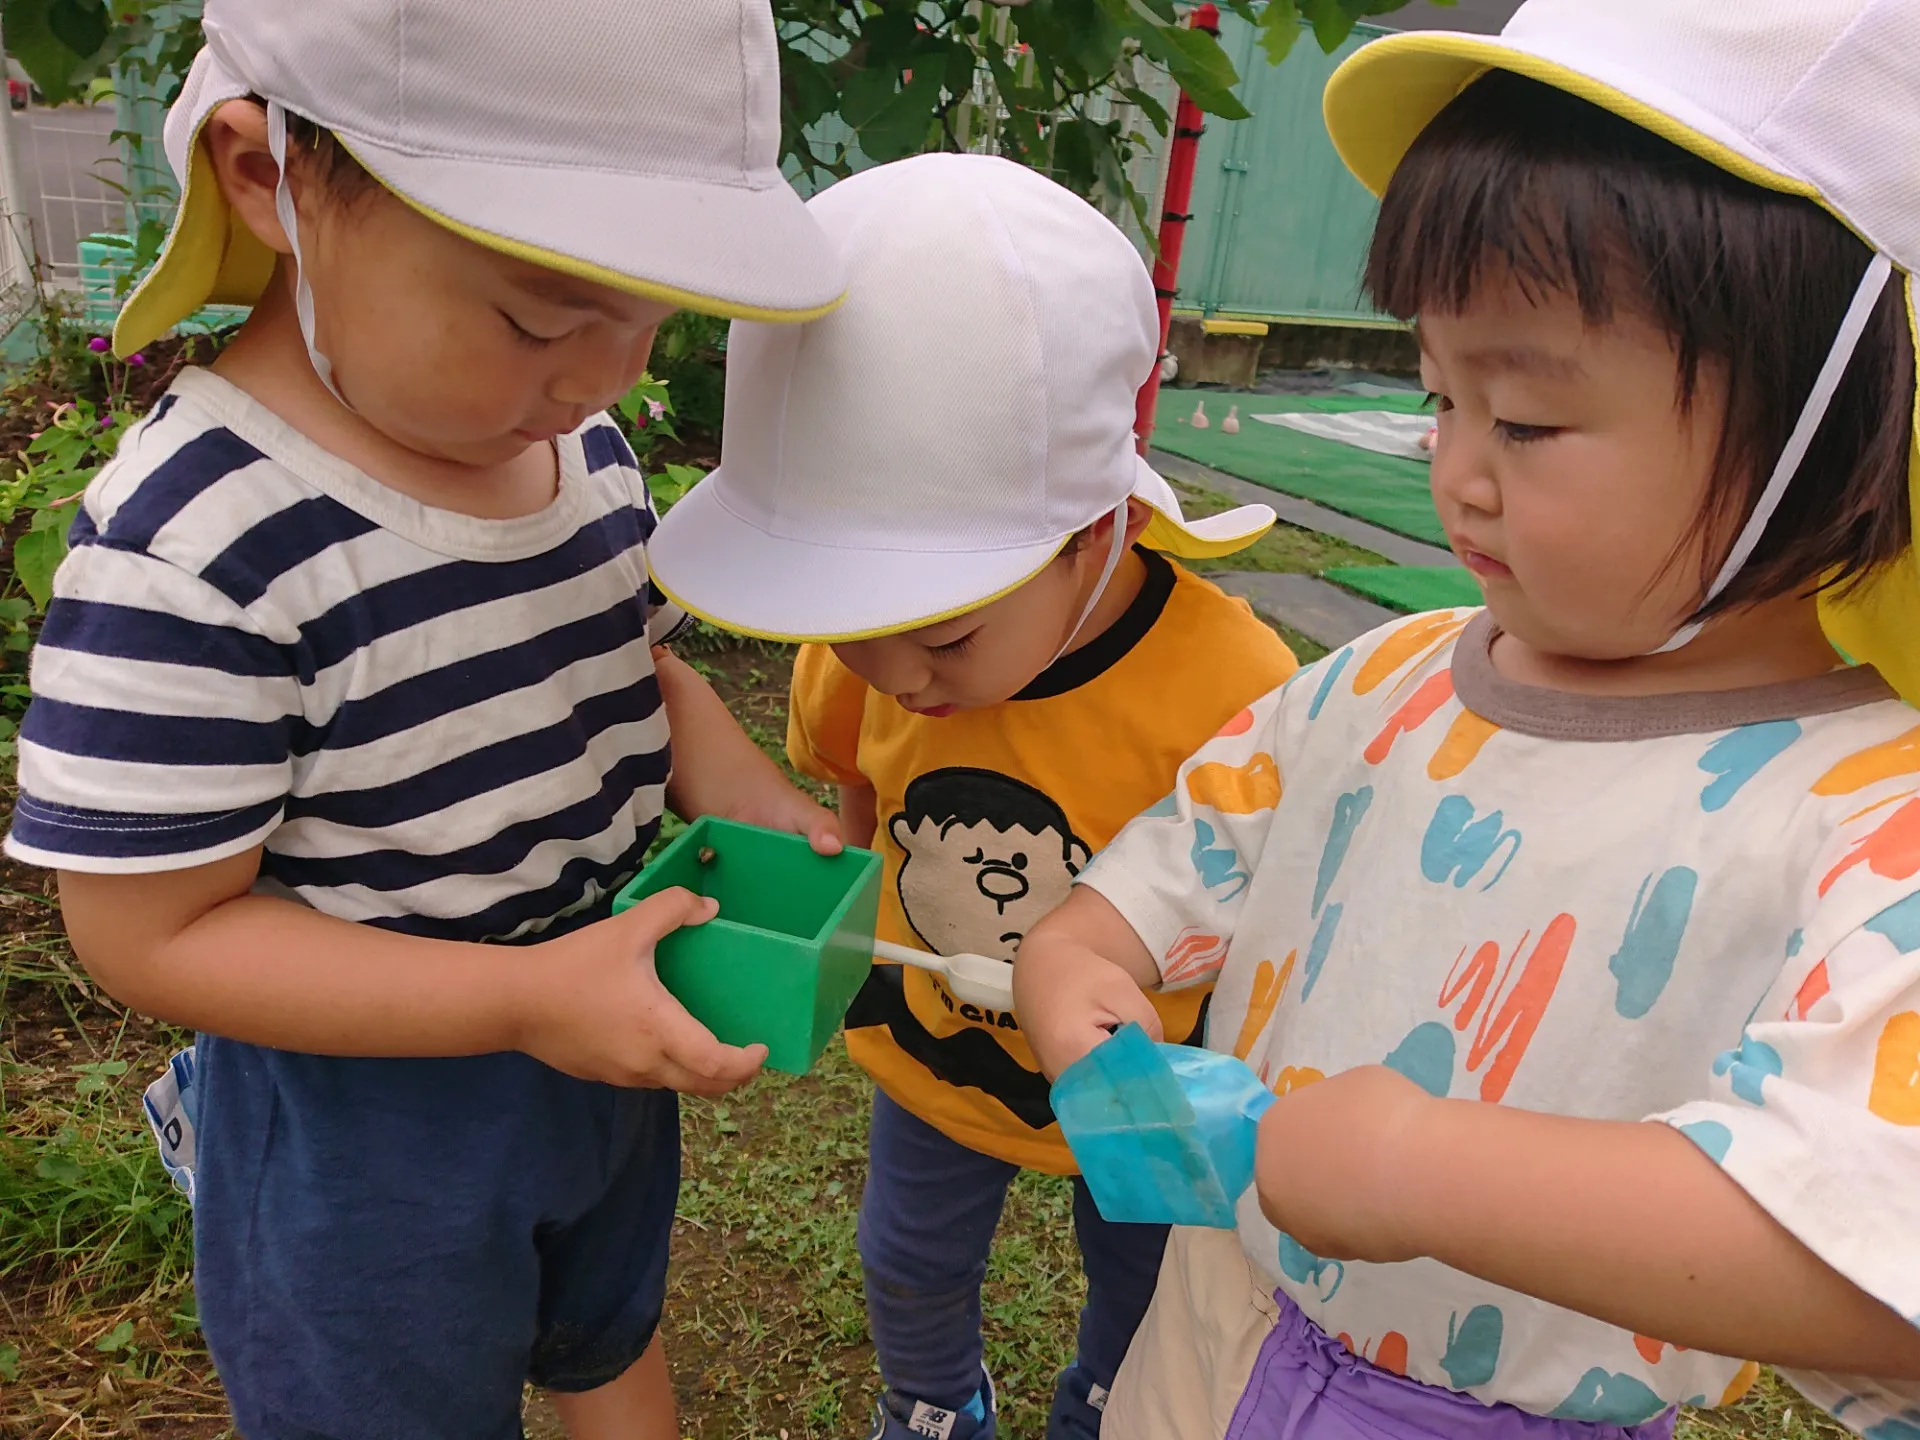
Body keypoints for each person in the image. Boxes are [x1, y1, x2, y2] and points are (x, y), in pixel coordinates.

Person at [1015, 3, 1920, 1439]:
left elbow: (1874, 1261)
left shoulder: (1870, 812)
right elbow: (1148, 889)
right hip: (1209, 1327)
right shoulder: (1385, 683)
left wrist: (1415, 1167)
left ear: (1835, 432)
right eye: (1439, 397)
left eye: (1529, 423)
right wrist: (1083, 991)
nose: (1458, 476)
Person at [2, 2, 848, 1436]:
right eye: (537, 317)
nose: (606, 378)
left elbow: (642, 674)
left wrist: (751, 799)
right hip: (363, 1133)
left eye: (651, 320)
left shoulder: (576, 454)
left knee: (607, 1323)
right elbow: (149, 932)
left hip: (590, 1042)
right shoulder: (201, 542)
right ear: (272, 175)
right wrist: (521, 1000)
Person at [647, 152, 1300, 1440]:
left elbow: (1274, 903)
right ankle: (934, 1402)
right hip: (936, 1058)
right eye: (852, 622)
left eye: (942, 640)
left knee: (1146, 1287)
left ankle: (1105, 1410)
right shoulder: (863, 662)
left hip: (1146, 1086)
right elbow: (851, 792)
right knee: (907, 1258)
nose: (893, 672)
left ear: (1096, 527)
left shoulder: (1235, 688)